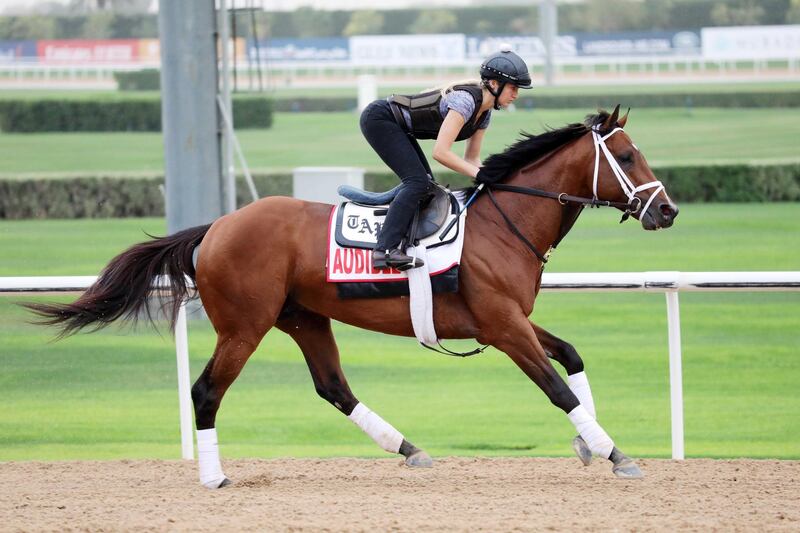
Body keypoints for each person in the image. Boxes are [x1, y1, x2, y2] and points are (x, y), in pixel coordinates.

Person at [360, 46, 533, 270]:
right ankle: (384, 251)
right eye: (513, 88)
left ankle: (405, 243)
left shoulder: (485, 114)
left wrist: (497, 180)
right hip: (379, 119)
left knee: (426, 186)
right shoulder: (465, 101)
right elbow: (441, 152)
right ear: (494, 84)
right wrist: (481, 174)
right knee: (418, 183)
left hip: (398, 126)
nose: (516, 95)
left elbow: (472, 159)